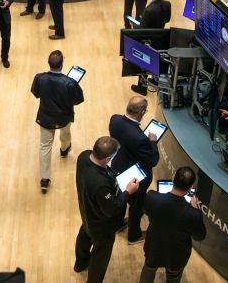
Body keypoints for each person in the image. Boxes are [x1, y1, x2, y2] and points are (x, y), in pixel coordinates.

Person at [75, 136, 140, 283]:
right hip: (101, 226)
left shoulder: (84, 156)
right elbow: (112, 209)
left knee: (85, 235)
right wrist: (128, 192)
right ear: (107, 158)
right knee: (100, 256)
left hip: (87, 211)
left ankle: (80, 264)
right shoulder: (100, 184)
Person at [140, 167, 206, 283]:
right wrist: (195, 210)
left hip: (153, 248)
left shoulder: (152, 197)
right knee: (174, 277)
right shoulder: (193, 214)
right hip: (176, 256)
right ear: (191, 187)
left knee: (149, 269)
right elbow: (199, 236)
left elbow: (145, 210)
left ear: (173, 178)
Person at [31, 50, 84, 193]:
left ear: (49, 63)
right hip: (64, 118)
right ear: (62, 65)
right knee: (65, 134)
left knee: (45, 146)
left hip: (45, 117)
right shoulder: (70, 82)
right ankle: (64, 150)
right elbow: (78, 100)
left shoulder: (39, 78)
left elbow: (36, 94)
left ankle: (44, 179)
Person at [109, 96, 159, 245]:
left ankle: (118, 224)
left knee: (121, 196)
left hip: (118, 166)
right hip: (135, 177)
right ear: (142, 112)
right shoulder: (141, 139)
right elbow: (153, 160)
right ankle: (134, 236)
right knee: (136, 206)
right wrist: (152, 142)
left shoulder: (114, 119)